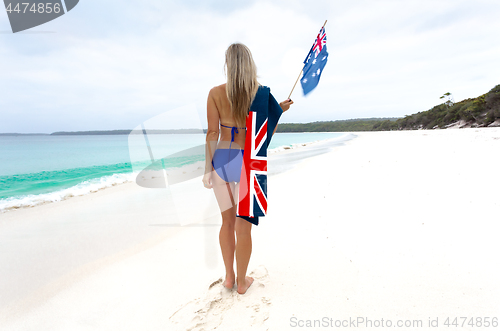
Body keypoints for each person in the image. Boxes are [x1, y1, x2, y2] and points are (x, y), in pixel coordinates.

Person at [202, 43, 293, 294]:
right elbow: (266, 132)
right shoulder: (261, 94)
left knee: (226, 223)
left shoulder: (215, 93)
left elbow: (212, 132)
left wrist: (207, 170)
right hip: (248, 161)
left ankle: (229, 278)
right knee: (244, 226)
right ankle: (242, 282)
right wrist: (279, 111)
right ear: (250, 64)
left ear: (228, 65)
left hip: (223, 159)